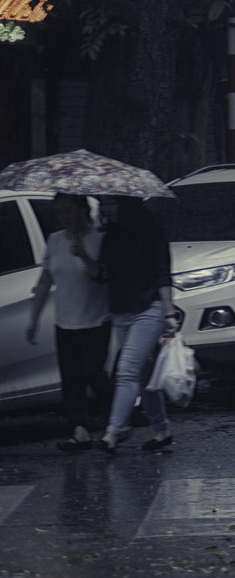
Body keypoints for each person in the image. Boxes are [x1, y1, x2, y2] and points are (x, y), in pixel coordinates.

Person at [24, 194, 111, 452]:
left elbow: (101, 275)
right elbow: (44, 281)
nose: (63, 217)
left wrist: (82, 253)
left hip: (96, 319)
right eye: (58, 212)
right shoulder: (54, 240)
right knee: (71, 378)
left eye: (67, 210)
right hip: (65, 321)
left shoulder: (100, 238)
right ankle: (79, 430)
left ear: (82, 209)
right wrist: (33, 318)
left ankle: (119, 416)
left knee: (92, 372)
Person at [97, 196, 179, 454]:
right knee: (142, 376)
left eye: (110, 203)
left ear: (125, 204)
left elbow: (163, 273)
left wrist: (168, 313)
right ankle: (162, 428)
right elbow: (101, 275)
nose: (106, 208)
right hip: (121, 311)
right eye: (103, 204)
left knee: (127, 371)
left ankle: (113, 431)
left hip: (149, 307)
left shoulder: (153, 231)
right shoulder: (110, 234)